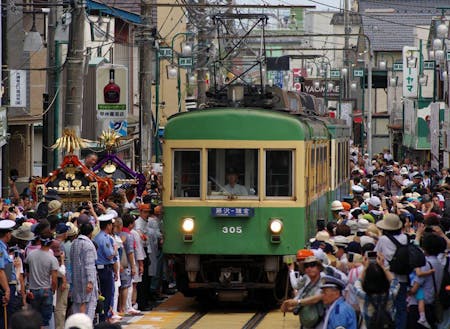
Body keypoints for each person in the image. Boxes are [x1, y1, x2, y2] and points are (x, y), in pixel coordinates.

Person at [353, 253, 399, 329]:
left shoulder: (362, 296)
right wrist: (383, 267)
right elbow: (395, 281)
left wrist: (365, 267)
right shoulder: (390, 294)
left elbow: (358, 282)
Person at [281, 256, 325, 328]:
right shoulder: (306, 281)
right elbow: (301, 295)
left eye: (313, 265)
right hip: (307, 323)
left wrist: (297, 302)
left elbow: (317, 298)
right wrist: (288, 307)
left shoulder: (324, 280)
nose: (309, 268)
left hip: (320, 323)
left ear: (319, 267)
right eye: (306, 266)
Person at [93, 213, 118, 323]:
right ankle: (105, 318)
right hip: (105, 269)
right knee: (107, 294)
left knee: (101, 294)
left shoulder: (97, 237)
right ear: (108, 226)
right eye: (111, 225)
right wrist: (115, 249)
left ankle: (103, 317)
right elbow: (110, 254)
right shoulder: (105, 239)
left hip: (99, 268)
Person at [70, 223, 98, 320]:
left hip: (76, 279)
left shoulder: (74, 243)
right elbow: (89, 264)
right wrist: (90, 281)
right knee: (89, 306)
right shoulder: (88, 244)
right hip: (86, 280)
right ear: (90, 233)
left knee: (77, 306)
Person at [0, 220, 20, 329]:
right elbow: (0, 270)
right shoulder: (0, 248)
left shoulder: (3, 247)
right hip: (5, 287)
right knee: (6, 320)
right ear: (7, 234)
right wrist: (7, 290)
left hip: (7, 285)